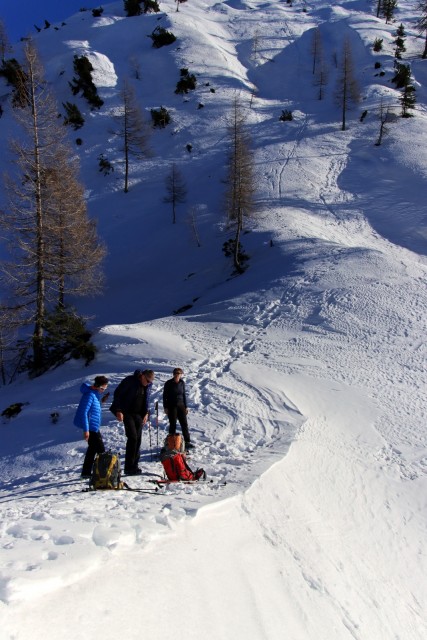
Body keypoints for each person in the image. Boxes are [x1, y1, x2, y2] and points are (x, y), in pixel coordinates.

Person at [110, 369, 155, 475]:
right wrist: (118, 410)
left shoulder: (147, 386)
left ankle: (135, 465)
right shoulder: (130, 381)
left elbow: (146, 400)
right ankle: (129, 467)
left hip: (139, 414)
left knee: (138, 439)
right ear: (142, 376)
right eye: (147, 381)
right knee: (133, 437)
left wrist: (146, 413)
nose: (148, 384)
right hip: (127, 412)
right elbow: (118, 395)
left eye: (150, 382)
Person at [73, 375, 109, 478]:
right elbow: (84, 413)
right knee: (101, 450)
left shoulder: (95, 394)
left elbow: (94, 407)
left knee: (92, 449)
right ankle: (103, 473)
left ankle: (86, 473)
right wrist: (86, 430)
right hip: (91, 427)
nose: (103, 390)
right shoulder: (89, 395)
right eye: (102, 388)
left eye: (105, 389)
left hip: (94, 426)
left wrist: (102, 401)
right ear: (97, 386)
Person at [163, 367, 194, 450]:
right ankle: (171, 443)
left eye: (179, 374)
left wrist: (186, 406)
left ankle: (187, 442)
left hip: (181, 405)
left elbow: (184, 395)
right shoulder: (168, 383)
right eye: (176, 373)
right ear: (173, 374)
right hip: (171, 406)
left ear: (181, 375)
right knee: (172, 424)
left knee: (184, 424)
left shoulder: (182, 383)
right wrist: (165, 407)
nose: (177, 375)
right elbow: (164, 396)